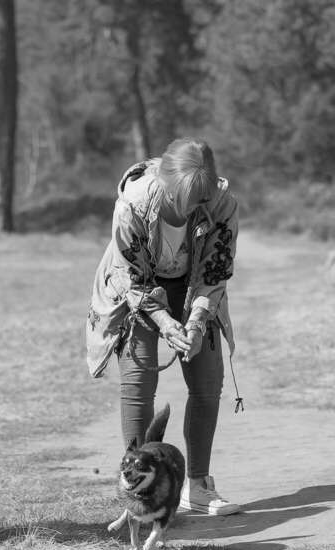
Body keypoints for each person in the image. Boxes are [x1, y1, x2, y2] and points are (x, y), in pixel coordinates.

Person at [85, 137, 241, 516]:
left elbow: (215, 272)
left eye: (202, 200)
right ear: (166, 184)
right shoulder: (134, 204)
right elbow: (132, 278)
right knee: (138, 383)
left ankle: (198, 486)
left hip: (193, 287)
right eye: (187, 201)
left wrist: (196, 322)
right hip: (136, 289)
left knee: (207, 381)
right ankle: (140, 491)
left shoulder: (221, 204)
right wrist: (165, 323)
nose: (196, 209)